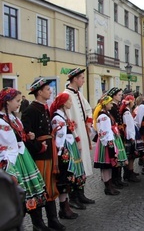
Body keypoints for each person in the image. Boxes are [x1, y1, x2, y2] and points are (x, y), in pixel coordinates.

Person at [22, 78, 66, 230]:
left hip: (49, 153)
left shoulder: (44, 107)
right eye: (47, 89)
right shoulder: (30, 111)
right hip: (39, 156)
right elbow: (26, 136)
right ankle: (38, 223)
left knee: (50, 186)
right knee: (39, 188)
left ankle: (52, 219)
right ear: (39, 92)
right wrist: (38, 147)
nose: (50, 91)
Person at [0, 88, 47, 220]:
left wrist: (29, 137)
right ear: (7, 101)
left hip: (22, 155)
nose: (19, 103)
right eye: (17, 101)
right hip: (12, 159)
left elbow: (19, 137)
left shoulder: (14, 118)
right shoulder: (1, 121)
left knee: (32, 191)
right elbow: (6, 143)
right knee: (19, 193)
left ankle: (38, 223)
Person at [50, 93, 86, 219]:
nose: (71, 103)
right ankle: (63, 208)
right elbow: (59, 139)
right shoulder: (57, 118)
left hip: (69, 148)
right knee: (64, 178)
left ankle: (66, 206)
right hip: (64, 151)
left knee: (69, 178)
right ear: (64, 103)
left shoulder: (63, 117)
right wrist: (60, 155)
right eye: (69, 101)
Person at [64, 67, 95, 209]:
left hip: (83, 133)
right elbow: (68, 118)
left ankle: (81, 193)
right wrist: (75, 136)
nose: (83, 80)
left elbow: (88, 109)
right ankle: (73, 197)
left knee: (82, 165)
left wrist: (88, 123)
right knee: (75, 165)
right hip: (74, 137)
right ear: (75, 79)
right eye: (81, 78)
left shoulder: (79, 94)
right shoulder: (66, 95)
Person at [93, 95, 128, 195]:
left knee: (108, 166)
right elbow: (104, 132)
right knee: (106, 166)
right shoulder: (103, 116)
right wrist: (110, 145)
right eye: (109, 103)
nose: (111, 105)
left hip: (109, 141)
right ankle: (108, 186)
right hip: (106, 143)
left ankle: (109, 185)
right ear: (105, 104)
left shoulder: (106, 114)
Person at [106, 87, 129, 188]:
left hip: (119, 133)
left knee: (120, 157)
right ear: (114, 96)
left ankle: (118, 179)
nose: (121, 96)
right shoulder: (113, 107)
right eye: (119, 95)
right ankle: (115, 179)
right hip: (115, 134)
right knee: (117, 157)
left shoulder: (117, 106)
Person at [119, 95, 140, 182]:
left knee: (131, 156)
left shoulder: (127, 111)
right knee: (130, 156)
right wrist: (132, 138)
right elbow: (129, 126)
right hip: (129, 137)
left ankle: (129, 173)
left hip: (129, 136)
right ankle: (128, 174)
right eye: (133, 101)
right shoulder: (126, 113)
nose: (134, 103)